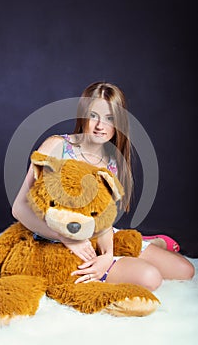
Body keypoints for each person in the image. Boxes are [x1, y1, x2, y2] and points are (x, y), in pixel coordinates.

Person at [12, 81, 194, 291]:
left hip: (98, 235)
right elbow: (19, 208)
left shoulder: (112, 161)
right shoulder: (56, 146)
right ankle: (132, 252)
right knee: (150, 278)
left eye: (110, 119)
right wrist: (67, 239)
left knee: (185, 271)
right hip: (56, 238)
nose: (101, 126)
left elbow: (103, 221)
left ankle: (144, 242)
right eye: (94, 116)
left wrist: (107, 256)